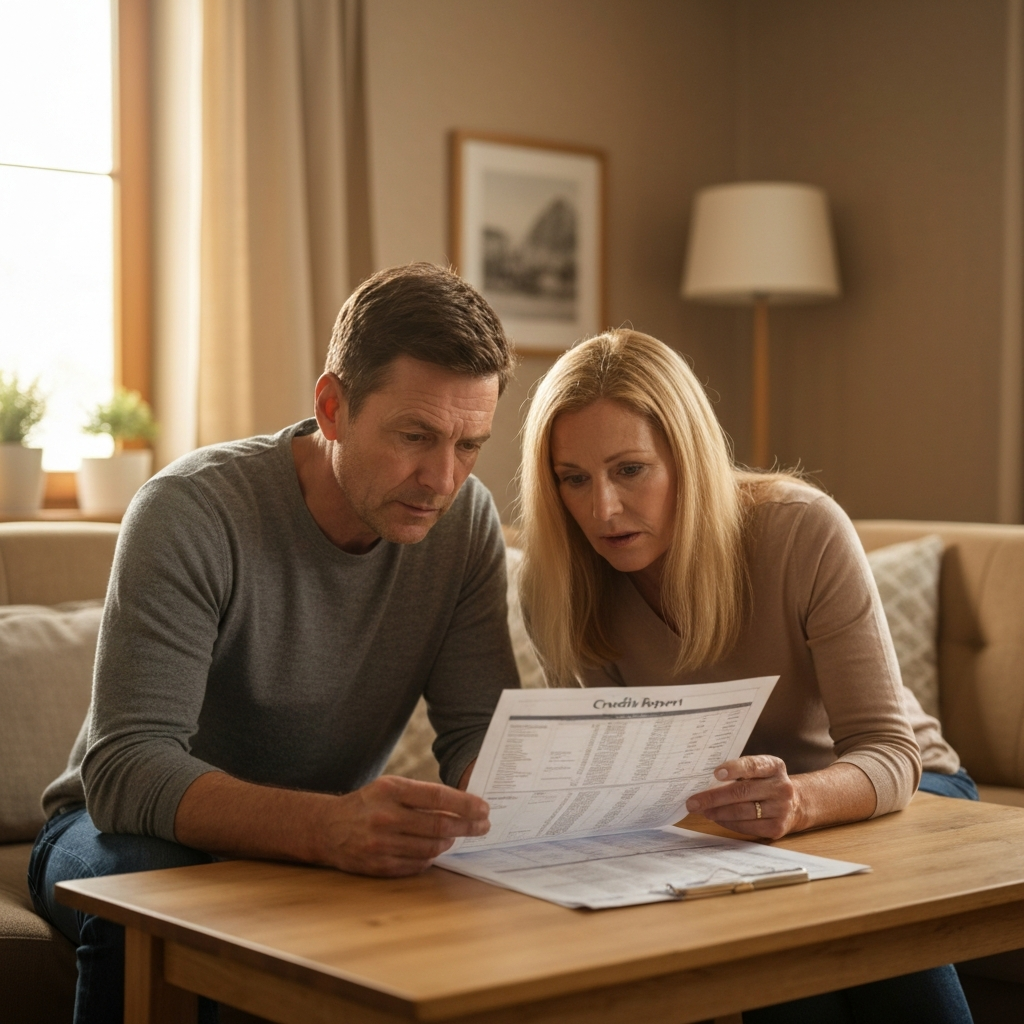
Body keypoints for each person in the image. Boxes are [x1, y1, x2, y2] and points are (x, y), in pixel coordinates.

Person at [28, 263, 520, 1024]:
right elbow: (126, 771)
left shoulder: (465, 523)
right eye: (415, 437)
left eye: (470, 445)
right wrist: (329, 828)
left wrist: (509, 814)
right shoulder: (191, 512)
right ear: (333, 407)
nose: (441, 479)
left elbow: (475, 733)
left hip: (322, 844)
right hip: (118, 833)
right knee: (159, 910)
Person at [517, 328, 974, 1024]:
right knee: (781, 971)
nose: (602, 509)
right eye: (573, 479)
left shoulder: (801, 531)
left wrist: (800, 802)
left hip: (903, 790)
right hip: (730, 825)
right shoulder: (560, 582)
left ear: (687, 457)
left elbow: (891, 752)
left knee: (849, 929)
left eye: (629, 469)